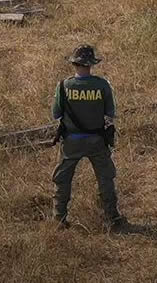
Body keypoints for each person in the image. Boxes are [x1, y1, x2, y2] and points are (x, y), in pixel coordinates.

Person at [51, 44, 125, 231]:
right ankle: (112, 217)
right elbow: (110, 113)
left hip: (71, 142)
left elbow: (56, 114)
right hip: (97, 141)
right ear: (91, 64)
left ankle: (59, 218)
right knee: (105, 178)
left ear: (74, 64)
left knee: (63, 179)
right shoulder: (102, 85)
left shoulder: (63, 86)